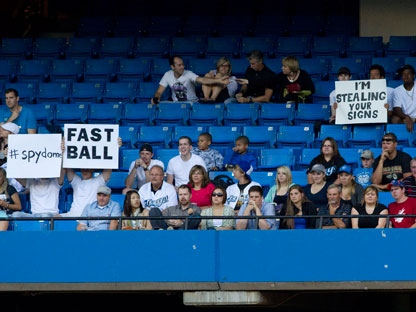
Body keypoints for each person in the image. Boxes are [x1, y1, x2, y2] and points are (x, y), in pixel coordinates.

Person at [150, 55, 230, 104]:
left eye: (183, 64)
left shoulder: (188, 73)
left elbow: (202, 80)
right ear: (172, 67)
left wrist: (218, 80)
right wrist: (156, 98)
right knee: (160, 105)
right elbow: (159, 91)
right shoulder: (167, 74)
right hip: (176, 104)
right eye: (179, 65)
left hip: (191, 103)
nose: (182, 67)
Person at [0, 122, 26, 193]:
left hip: (12, 172)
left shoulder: (18, 146)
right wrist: (2, 154)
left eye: (4, 130)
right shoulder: (0, 143)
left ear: (11, 133)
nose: (1, 131)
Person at [391, 64, 416, 131]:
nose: (406, 77)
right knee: (395, 119)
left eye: (408, 74)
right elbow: (397, 109)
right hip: (406, 118)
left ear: (413, 75)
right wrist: (406, 117)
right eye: (403, 74)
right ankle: (401, 138)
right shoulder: (397, 90)